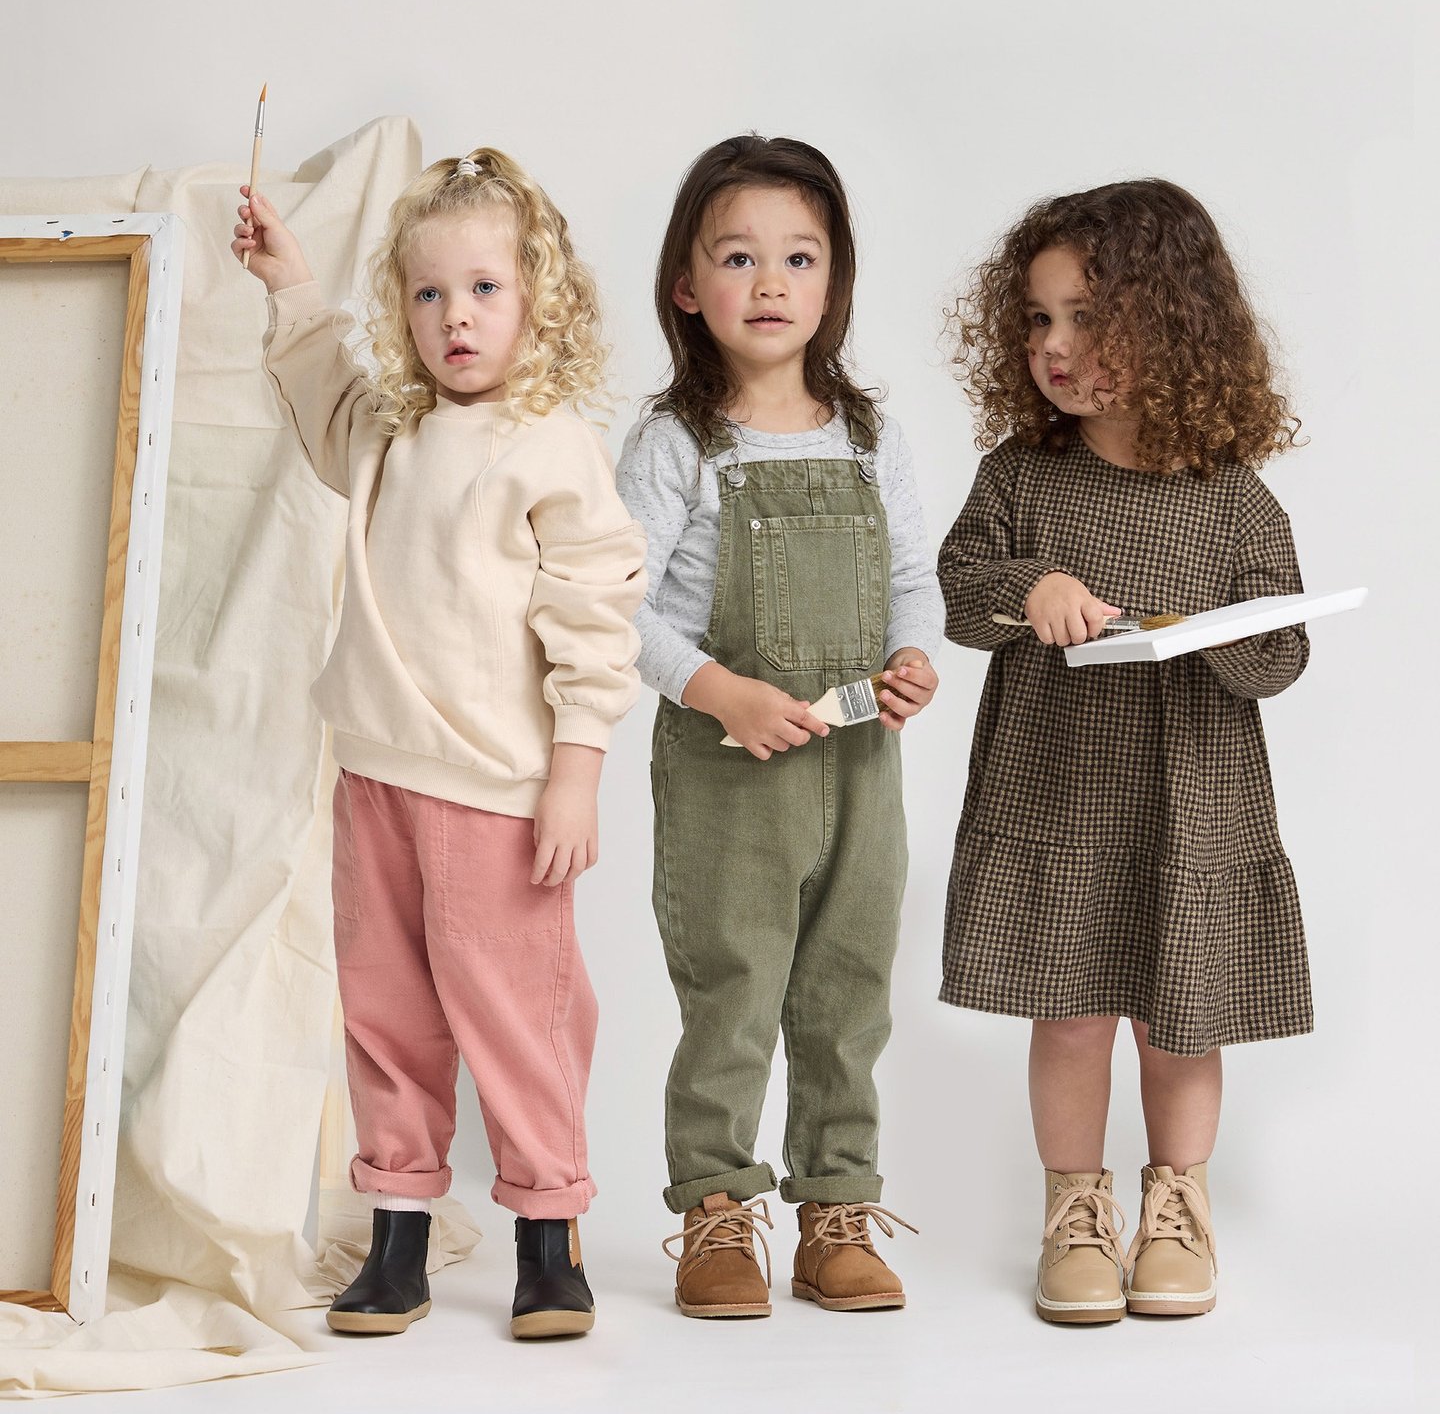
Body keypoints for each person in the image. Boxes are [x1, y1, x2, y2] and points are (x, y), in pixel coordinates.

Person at [231, 148, 646, 1340]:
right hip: (375, 778)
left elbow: (594, 616)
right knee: (386, 1014)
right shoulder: (391, 432)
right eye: (428, 294)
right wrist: (288, 279)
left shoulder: (549, 444)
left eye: (484, 289)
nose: (454, 316)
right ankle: (398, 1237)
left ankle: (548, 1238)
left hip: (497, 794)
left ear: (538, 300)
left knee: (518, 1016)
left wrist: (576, 772)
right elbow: (324, 395)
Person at [938, 178, 1310, 1323]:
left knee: (1179, 1016)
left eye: (1086, 318)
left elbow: (1283, 650)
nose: (1053, 346)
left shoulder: (1233, 498)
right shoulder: (1020, 475)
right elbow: (959, 593)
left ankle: (1178, 1205)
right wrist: (1030, 586)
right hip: (1058, 791)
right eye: (1037, 319)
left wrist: (1228, 636)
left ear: (1175, 323)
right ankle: (1075, 1212)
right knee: (1070, 1011)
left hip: (1192, 798)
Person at [616, 134, 944, 1319]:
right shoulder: (676, 444)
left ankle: (835, 1208)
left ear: (834, 278)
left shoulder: (870, 436)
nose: (770, 283)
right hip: (726, 775)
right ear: (685, 284)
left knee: (850, 990)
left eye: (799, 257)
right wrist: (718, 690)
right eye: (738, 257)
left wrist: (913, 657)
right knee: (734, 989)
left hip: (860, 768)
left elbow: (912, 579)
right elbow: (616, 607)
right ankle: (715, 1210)